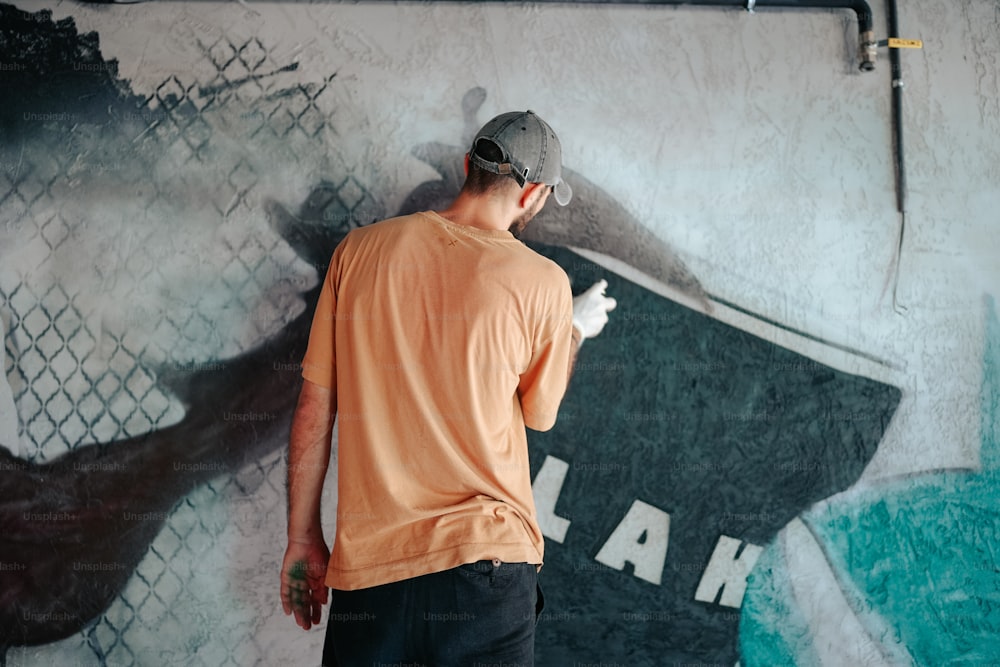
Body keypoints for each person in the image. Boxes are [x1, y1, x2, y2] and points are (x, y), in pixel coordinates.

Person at [280, 110, 617, 666]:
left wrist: (301, 539)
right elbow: (540, 412)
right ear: (533, 194)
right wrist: (573, 328)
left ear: (467, 167)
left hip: (371, 576)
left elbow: (315, 408)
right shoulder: (543, 284)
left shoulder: (357, 253)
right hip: (484, 570)